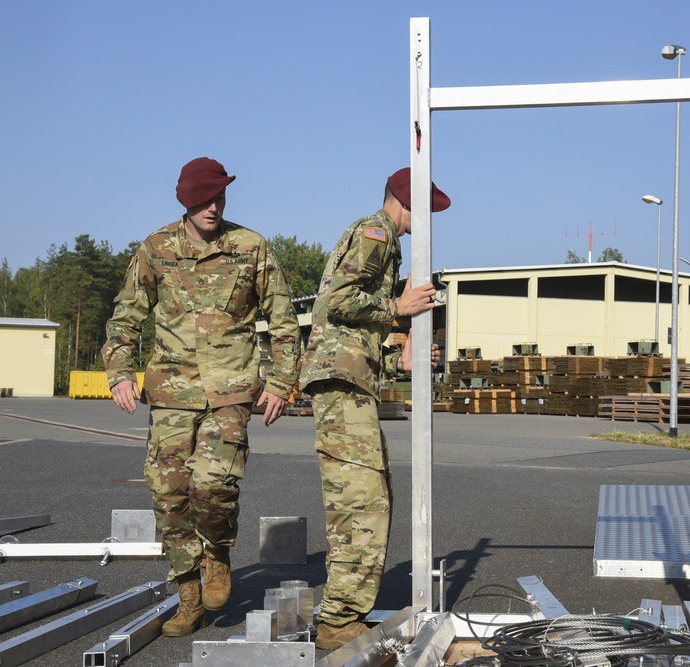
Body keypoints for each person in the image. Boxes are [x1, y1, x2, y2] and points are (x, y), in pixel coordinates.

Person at [101, 157, 301, 637]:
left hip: (230, 388)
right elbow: (125, 317)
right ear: (185, 199)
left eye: (220, 198)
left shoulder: (250, 247)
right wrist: (119, 373)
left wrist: (280, 382)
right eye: (204, 199)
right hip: (170, 392)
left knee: (212, 486)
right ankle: (188, 594)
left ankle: (218, 553)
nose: (213, 207)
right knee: (168, 495)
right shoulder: (156, 248)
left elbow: (284, 321)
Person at [300, 167, 448, 651]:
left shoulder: (383, 240)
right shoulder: (376, 232)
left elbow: (350, 331)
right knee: (361, 501)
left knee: (371, 494)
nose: (428, 222)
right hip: (340, 384)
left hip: (349, 379)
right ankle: (338, 618)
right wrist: (398, 309)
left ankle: (343, 613)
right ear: (406, 201)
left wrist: (397, 355)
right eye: (426, 210)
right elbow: (338, 301)